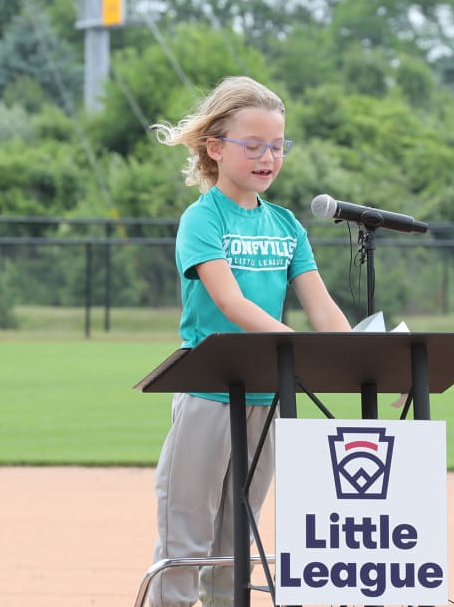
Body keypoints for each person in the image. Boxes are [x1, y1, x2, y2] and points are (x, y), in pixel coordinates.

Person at [147, 75, 352, 607]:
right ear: (215, 148)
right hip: (208, 393)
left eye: (278, 146)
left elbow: (323, 307)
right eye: (254, 145)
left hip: (270, 395)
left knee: (239, 537)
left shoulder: (287, 226)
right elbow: (231, 302)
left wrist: (369, 362)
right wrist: (301, 349)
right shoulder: (202, 218)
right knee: (186, 534)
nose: (269, 157)